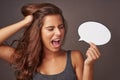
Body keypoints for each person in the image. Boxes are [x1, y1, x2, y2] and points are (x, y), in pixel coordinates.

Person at [0, 3, 101, 80]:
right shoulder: (24, 58)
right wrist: (24, 22)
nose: (58, 33)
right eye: (50, 29)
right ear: (38, 32)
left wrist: (89, 65)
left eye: (61, 27)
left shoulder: (74, 57)